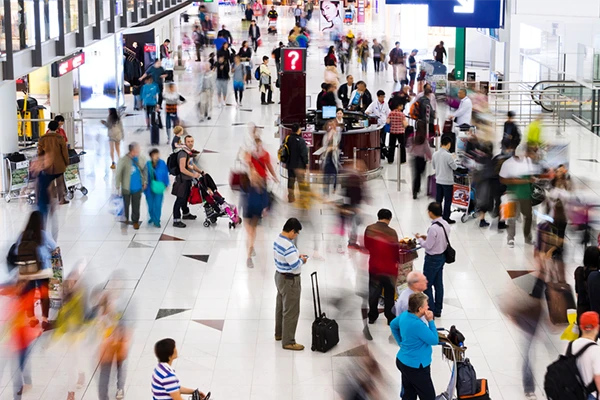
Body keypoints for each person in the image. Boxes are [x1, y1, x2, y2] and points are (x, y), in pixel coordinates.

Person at [9, 211, 57, 331]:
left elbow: (15, 252)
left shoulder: (22, 235)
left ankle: (31, 319)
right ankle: (45, 321)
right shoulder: (43, 235)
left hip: (26, 271)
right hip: (42, 270)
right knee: (44, 294)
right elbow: (55, 248)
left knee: (29, 292)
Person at [390, 292, 438, 400]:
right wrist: (430, 321)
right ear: (421, 309)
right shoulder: (417, 325)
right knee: (428, 396)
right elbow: (434, 340)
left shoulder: (405, 315)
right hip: (416, 366)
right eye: (426, 305)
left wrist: (400, 342)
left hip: (403, 361)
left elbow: (393, 324)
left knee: (409, 393)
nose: (428, 307)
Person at [274, 218, 308, 351]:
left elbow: (286, 258)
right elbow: (294, 266)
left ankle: (279, 333)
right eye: (297, 233)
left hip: (279, 277)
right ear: (292, 231)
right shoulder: (288, 245)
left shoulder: (278, 240)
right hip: (290, 281)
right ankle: (288, 341)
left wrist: (296, 256)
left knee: (280, 307)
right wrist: (302, 260)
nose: (296, 236)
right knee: (291, 311)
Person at [364, 208, 399, 325]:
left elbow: (367, 246)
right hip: (389, 269)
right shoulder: (392, 232)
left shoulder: (370, 229)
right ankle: (390, 317)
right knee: (389, 294)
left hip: (374, 266)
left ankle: (372, 316)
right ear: (389, 219)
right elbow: (395, 251)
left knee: (374, 292)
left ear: (378, 217)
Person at [499, 145, 539, 247]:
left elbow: (530, 176)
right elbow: (502, 179)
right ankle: (510, 238)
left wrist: (532, 179)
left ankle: (527, 237)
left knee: (528, 216)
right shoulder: (508, 164)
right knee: (512, 217)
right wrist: (519, 181)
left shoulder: (528, 161)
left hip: (526, 194)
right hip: (513, 194)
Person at [415, 202, 450, 318]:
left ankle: (432, 309)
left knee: (427, 284)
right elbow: (439, 240)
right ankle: (438, 309)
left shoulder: (433, 228)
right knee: (438, 284)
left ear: (431, 212)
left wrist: (420, 239)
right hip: (441, 257)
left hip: (432, 259)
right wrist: (428, 237)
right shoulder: (445, 224)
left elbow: (428, 246)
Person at [36, 120, 69, 216]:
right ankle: (61, 199)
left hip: (47, 164)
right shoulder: (59, 138)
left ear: (48, 128)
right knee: (60, 182)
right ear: (57, 128)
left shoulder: (42, 139)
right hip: (59, 164)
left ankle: (50, 199)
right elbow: (64, 152)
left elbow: (39, 152)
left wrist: (41, 162)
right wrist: (66, 162)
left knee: (48, 183)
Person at [172, 135, 202, 228]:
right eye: (188, 141)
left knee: (185, 198)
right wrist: (194, 175)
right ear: (185, 142)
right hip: (182, 181)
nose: (191, 143)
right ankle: (176, 220)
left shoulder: (188, 152)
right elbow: (182, 169)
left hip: (187, 180)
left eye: (192, 141)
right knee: (180, 199)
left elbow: (191, 165)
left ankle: (185, 213)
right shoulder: (183, 153)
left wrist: (201, 172)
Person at [115, 143, 147, 230]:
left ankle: (135, 221)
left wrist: (144, 182)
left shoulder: (141, 158)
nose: (139, 151)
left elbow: (144, 170)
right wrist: (117, 184)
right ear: (132, 151)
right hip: (126, 187)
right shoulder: (123, 160)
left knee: (136, 205)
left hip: (137, 187)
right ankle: (125, 219)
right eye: (137, 149)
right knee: (126, 204)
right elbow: (118, 172)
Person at [571, 312, 600, 400]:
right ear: (597, 327)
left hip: (576, 392)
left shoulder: (572, 345)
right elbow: (598, 377)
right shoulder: (596, 349)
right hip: (591, 395)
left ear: (580, 327)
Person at [432, 136, 458, 223]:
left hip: (438, 180)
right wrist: (454, 159)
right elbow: (454, 167)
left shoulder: (435, 154)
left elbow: (434, 166)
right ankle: (446, 217)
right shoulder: (448, 156)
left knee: (438, 200)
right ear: (449, 144)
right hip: (447, 182)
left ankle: (437, 216)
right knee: (447, 200)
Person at [144, 149, 170, 228]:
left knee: (158, 205)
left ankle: (157, 220)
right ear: (151, 156)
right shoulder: (147, 165)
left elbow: (165, 174)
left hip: (159, 187)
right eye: (155, 155)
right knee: (150, 205)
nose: (157, 156)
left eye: (158, 154)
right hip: (149, 188)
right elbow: (144, 175)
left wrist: (166, 184)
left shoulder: (162, 163)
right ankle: (152, 217)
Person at [575, 247, 600, 324]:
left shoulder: (579, 271)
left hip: (581, 312)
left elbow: (577, 293)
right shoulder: (595, 276)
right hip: (593, 313)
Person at [285, 123, 309, 203]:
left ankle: (291, 198)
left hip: (290, 164)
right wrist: (306, 162)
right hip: (299, 165)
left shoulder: (288, 138)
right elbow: (304, 153)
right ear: (298, 130)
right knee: (301, 182)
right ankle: (302, 198)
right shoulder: (301, 140)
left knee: (291, 181)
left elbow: (284, 150)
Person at [410, 125, 433, 199]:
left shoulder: (413, 137)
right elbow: (427, 150)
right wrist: (431, 158)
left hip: (414, 158)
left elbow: (409, 147)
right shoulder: (424, 139)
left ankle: (415, 190)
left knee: (416, 175)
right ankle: (417, 188)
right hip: (421, 159)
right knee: (421, 174)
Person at [386, 100, 408, 164]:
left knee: (391, 146)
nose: (402, 107)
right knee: (402, 146)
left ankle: (390, 160)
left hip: (392, 132)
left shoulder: (390, 113)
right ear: (398, 106)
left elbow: (387, 122)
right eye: (401, 106)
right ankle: (402, 160)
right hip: (400, 132)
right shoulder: (402, 114)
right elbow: (405, 124)